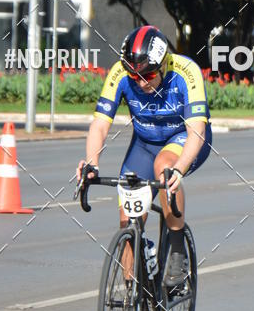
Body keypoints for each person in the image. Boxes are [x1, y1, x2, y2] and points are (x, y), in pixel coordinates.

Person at [76, 25, 212, 286]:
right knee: (128, 219)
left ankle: (176, 248)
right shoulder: (121, 72)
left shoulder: (186, 71)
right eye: (134, 76)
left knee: (165, 166)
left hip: (182, 138)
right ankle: (132, 297)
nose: (140, 82)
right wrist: (92, 163)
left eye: (147, 75)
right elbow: (100, 124)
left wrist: (180, 168)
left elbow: (197, 131)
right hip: (145, 143)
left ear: (162, 65)